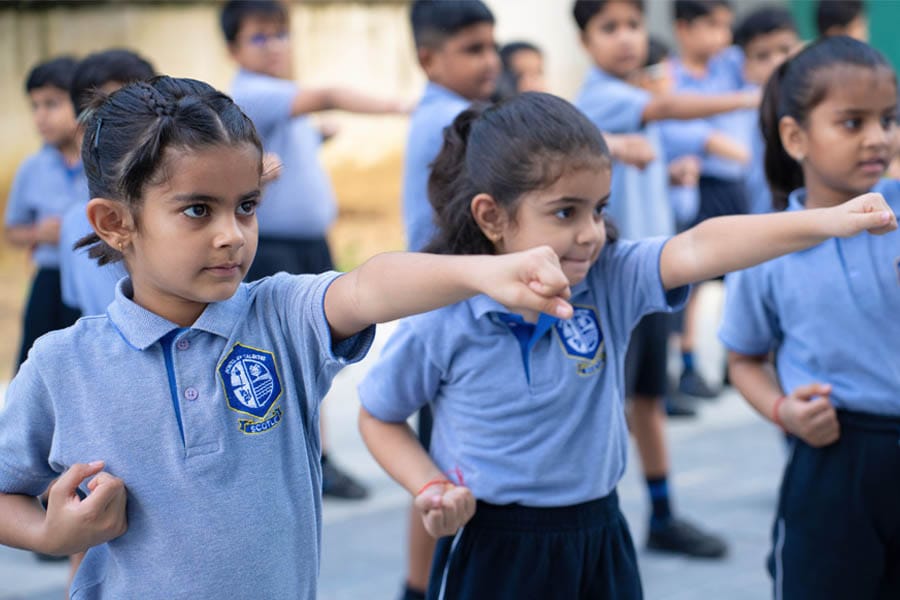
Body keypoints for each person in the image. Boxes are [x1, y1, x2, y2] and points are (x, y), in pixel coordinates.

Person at [0, 76, 576, 599]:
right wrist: (49, 533)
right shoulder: (63, 364)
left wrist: (482, 272)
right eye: (199, 210)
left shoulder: (278, 317)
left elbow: (369, 287)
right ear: (114, 223)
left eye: (246, 206)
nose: (233, 235)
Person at [357, 91, 896, 600]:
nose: (592, 232)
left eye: (599, 208)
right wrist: (428, 486)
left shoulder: (609, 278)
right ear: (492, 217)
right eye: (566, 212)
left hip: (599, 533)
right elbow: (378, 416)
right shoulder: (445, 314)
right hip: (494, 542)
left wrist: (825, 221)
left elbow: (701, 245)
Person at [719, 36, 900, 600]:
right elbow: (743, 359)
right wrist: (783, 410)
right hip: (833, 457)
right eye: (852, 123)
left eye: (888, 119)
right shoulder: (763, 245)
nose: (877, 137)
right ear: (795, 136)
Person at [572, 0, 753, 556]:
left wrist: (671, 168)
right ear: (584, 41)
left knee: (648, 400)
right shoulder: (603, 95)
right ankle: (581, 521)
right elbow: (670, 108)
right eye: (609, 28)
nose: (625, 38)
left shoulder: (636, 101)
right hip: (606, 286)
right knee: (597, 410)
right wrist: (753, 95)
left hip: (646, 277)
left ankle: (663, 514)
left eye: (631, 25)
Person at [221, 0, 408, 499]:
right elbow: (326, 93)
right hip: (275, 248)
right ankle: (306, 460)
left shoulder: (281, 99)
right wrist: (401, 105)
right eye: (260, 36)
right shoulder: (254, 93)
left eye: (281, 34)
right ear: (233, 48)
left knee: (312, 353)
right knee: (287, 354)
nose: (275, 45)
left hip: (308, 243)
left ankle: (313, 455)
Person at [59, 48, 157, 317]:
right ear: (79, 132)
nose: (121, 133)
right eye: (103, 120)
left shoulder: (184, 208)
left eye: (135, 119)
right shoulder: (72, 223)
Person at [4, 56, 83, 371]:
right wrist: (39, 234)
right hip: (49, 280)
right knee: (35, 363)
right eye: (34, 106)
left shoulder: (103, 164)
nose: (40, 117)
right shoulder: (32, 168)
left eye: (51, 104)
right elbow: (12, 230)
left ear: (80, 104)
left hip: (91, 279)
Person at [732, 6, 800, 215]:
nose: (777, 61)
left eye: (785, 50)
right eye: (762, 56)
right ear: (745, 67)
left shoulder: (815, 107)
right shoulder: (739, 118)